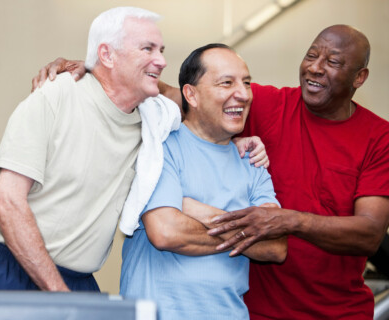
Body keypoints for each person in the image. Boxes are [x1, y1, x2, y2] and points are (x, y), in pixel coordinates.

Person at [35, 25, 389, 318]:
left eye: (333, 62)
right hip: (260, 309)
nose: (315, 67)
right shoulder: (184, 138)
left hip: (338, 311)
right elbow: (166, 231)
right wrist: (99, 69)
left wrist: (285, 221)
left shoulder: (375, 137)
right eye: (312, 55)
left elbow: (360, 235)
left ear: (360, 77)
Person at [0, 6, 173, 292]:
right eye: (148, 49)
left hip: (75, 281)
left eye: (162, 50)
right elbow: (6, 203)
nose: (162, 60)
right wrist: (60, 297)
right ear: (106, 54)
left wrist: (240, 140)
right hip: (5, 270)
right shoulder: (57, 93)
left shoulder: (153, 119)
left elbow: (202, 106)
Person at [119, 43, 287, 320]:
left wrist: (191, 207)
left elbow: (275, 246)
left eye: (246, 83)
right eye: (226, 83)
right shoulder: (160, 147)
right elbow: (166, 233)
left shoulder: (252, 161)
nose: (243, 94)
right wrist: (246, 230)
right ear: (191, 95)